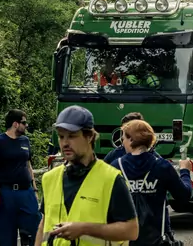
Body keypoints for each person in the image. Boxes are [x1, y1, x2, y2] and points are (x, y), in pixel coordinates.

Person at [35, 105, 138, 245]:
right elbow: (44, 225)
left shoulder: (111, 178)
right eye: (61, 137)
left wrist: (84, 229)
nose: (64, 143)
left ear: (89, 137)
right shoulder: (49, 178)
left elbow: (131, 230)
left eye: (72, 136)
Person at [114, 119, 192, 245]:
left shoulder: (116, 167)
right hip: (157, 240)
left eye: (124, 138)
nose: (122, 142)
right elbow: (184, 195)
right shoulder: (162, 166)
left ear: (132, 140)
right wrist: (185, 171)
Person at [0, 109, 40, 246]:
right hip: (7, 193)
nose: (26, 125)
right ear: (15, 124)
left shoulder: (25, 141)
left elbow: (28, 165)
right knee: (6, 234)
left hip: (26, 192)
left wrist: (34, 189)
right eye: (24, 122)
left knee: (36, 226)